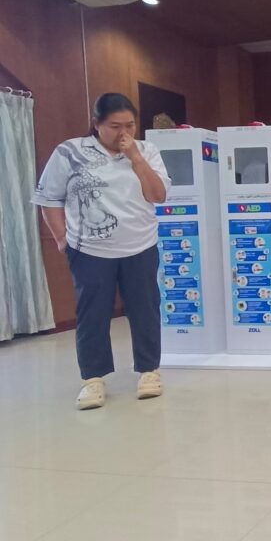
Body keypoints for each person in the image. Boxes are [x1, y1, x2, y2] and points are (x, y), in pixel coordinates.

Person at [32, 93, 171, 410]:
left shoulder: (147, 150)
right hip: (90, 249)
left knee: (146, 309)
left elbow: (158, 195)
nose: (124, 133)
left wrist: (135, 158)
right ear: (96, 124)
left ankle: (149, 371)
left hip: (140, 244)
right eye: (115, 126)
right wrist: (61, 238)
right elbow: (49, 199)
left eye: (130, 125)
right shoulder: (69, 152)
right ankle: (93, 380)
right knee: (92, 314)